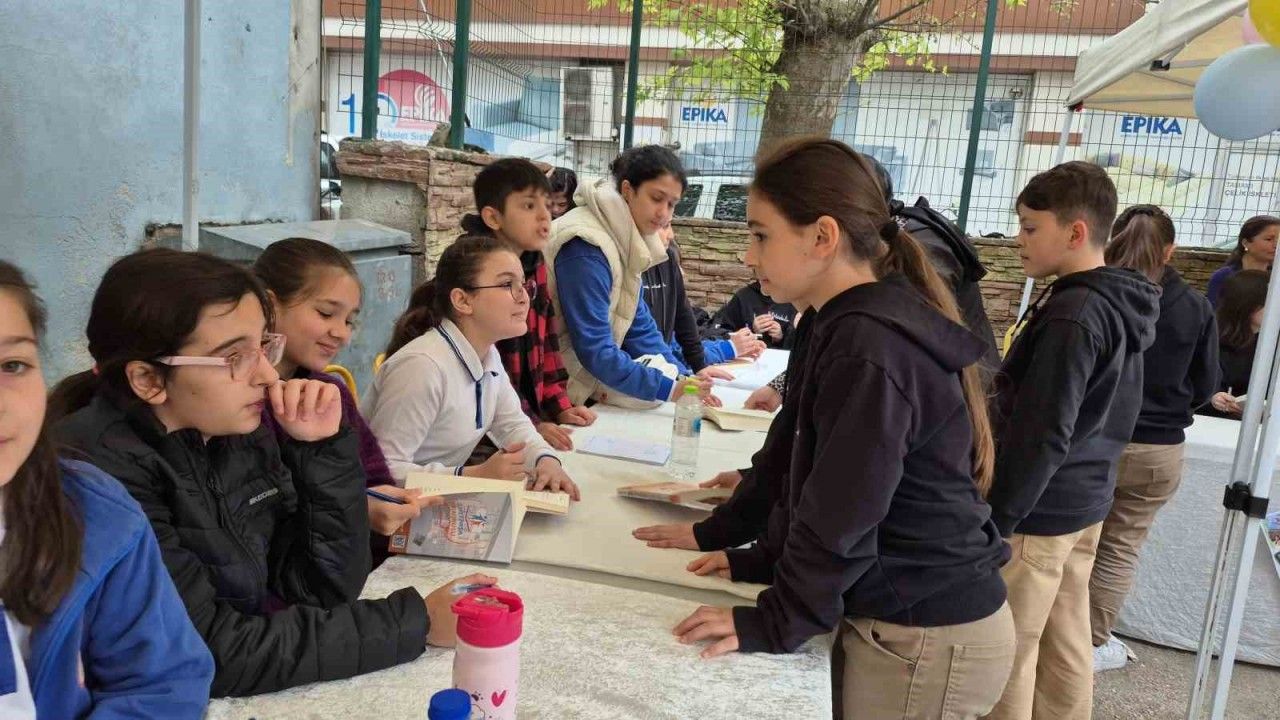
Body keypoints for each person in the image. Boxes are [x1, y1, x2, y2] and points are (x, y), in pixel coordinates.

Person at [670, 138, 1015, 720]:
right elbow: (798, 461)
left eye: (761, 236)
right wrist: (758, 555)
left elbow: (843, 508)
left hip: (925, 633)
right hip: (908, 620)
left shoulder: (868, 344)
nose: (748, 257)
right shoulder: (838, 322)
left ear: (823, 237)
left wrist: (777, 620)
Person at [50, 248, 495, 697]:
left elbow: (321, 590)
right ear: (148, 380)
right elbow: (208, 651)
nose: (266, 375)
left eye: (263, 346)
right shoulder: (97, 476)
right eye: (234, 357)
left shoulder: (230, 431)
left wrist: (321, 451)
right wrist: (414, 622)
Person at [984, 162, 1159, 720]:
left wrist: (1000, 518)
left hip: (1041, 509)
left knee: (1009, 648)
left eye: (1030, 227)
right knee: (1065, 639)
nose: (1019, 239)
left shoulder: (1076, 312)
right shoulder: (1111, 300)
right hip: (1084, 498)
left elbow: (1044, 432)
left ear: (1076, 232)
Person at [0, 261, 214, 718]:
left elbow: (164, 683)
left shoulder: (93, 512)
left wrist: (320, 452)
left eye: (12, 365)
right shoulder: (115, 458)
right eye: (232, 356)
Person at [1090, 205, 1220, 671]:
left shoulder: (1092, 296)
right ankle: (1091, 642)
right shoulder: (1195, 307)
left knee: (1072, 543)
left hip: (1094, 439)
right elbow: (1207, 385)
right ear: (1170, 250)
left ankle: (1056, 635)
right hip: (1159, 448)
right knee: (1119, 547)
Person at [254, 238, 438, 553]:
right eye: (326, 313)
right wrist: (357, 510)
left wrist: (385, 501)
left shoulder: (333, 392)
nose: (341, 333)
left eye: (349, 320)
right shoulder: (241, 404)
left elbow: (374, 478)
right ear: (269, 306)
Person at [365, 235, 581, 499]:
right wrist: (473, 476)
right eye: (507, 284)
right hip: (389, 516)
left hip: (435, 505)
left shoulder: (488, 354)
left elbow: (513, 424)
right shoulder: (422, 367)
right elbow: (383, 471)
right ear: (463, 301)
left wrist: (545, 461)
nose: (524, 297)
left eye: (524, 285)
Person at [547, 145, 716, 408]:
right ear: (627, 190)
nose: (664, 213)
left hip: (565, 389)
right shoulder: (587, 247)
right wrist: (668, 388)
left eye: (672, 204)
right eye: (656, 198)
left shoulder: (621, 239)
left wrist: (683, 378)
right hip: (545, 394)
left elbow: (640, 328)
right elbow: (595, 348)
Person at [460, 158, 597, 452]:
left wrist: (559, 405)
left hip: (520, 421)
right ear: (493, 218)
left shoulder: (535, 263)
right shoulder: (474, 271)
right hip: (477, 439)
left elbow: (545, 341)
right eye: (529, 206)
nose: (545, 217)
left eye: (547, 205)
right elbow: (486, 373)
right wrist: (530, 424)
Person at [643, 223, 765, 375]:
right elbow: (670, 353)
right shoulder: (744, 296)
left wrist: (733, 346)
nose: (682, 273)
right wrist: (729, 348)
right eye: (665, 225)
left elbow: (680, 348)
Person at [1204, 269, 1269, 419]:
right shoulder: (1211, 340)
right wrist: (1215, 398)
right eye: (1268, 304)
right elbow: (1199, 386)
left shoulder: (1269, 343)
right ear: (1249, 304)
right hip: (1218, 421)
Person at [1206, 215, 1279, 306]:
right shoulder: (1224, 277)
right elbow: (1213, 311)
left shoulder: (1276, 279)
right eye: (1269, 239)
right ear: (1246, 243)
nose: (1276, 245)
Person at [706, 278, 799, 350]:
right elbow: (720, 332)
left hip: (779, 360)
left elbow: (798, 346)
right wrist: (751, 330)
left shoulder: (791, 300)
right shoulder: (743, 297)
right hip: (746, 359)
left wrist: (780, 337)